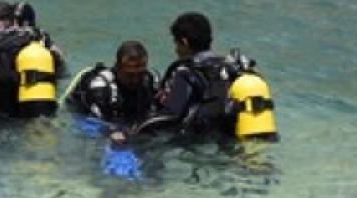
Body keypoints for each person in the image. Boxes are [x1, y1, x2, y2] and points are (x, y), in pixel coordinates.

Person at [137, 11, 234, 140]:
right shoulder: (229, 67)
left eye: (176, 43)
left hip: (195, 143)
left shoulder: (187, 72)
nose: (176, 49)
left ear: (184, 43)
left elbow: (170, 114)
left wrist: (135, 129)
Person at [64, 39, 158, 127]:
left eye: (140, 73)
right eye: (130, 75)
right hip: (84, 117)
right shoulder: (101, 88)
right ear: (117, 68)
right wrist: (111, 131)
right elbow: (97, 122)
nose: (136, 79)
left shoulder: (149, 80)